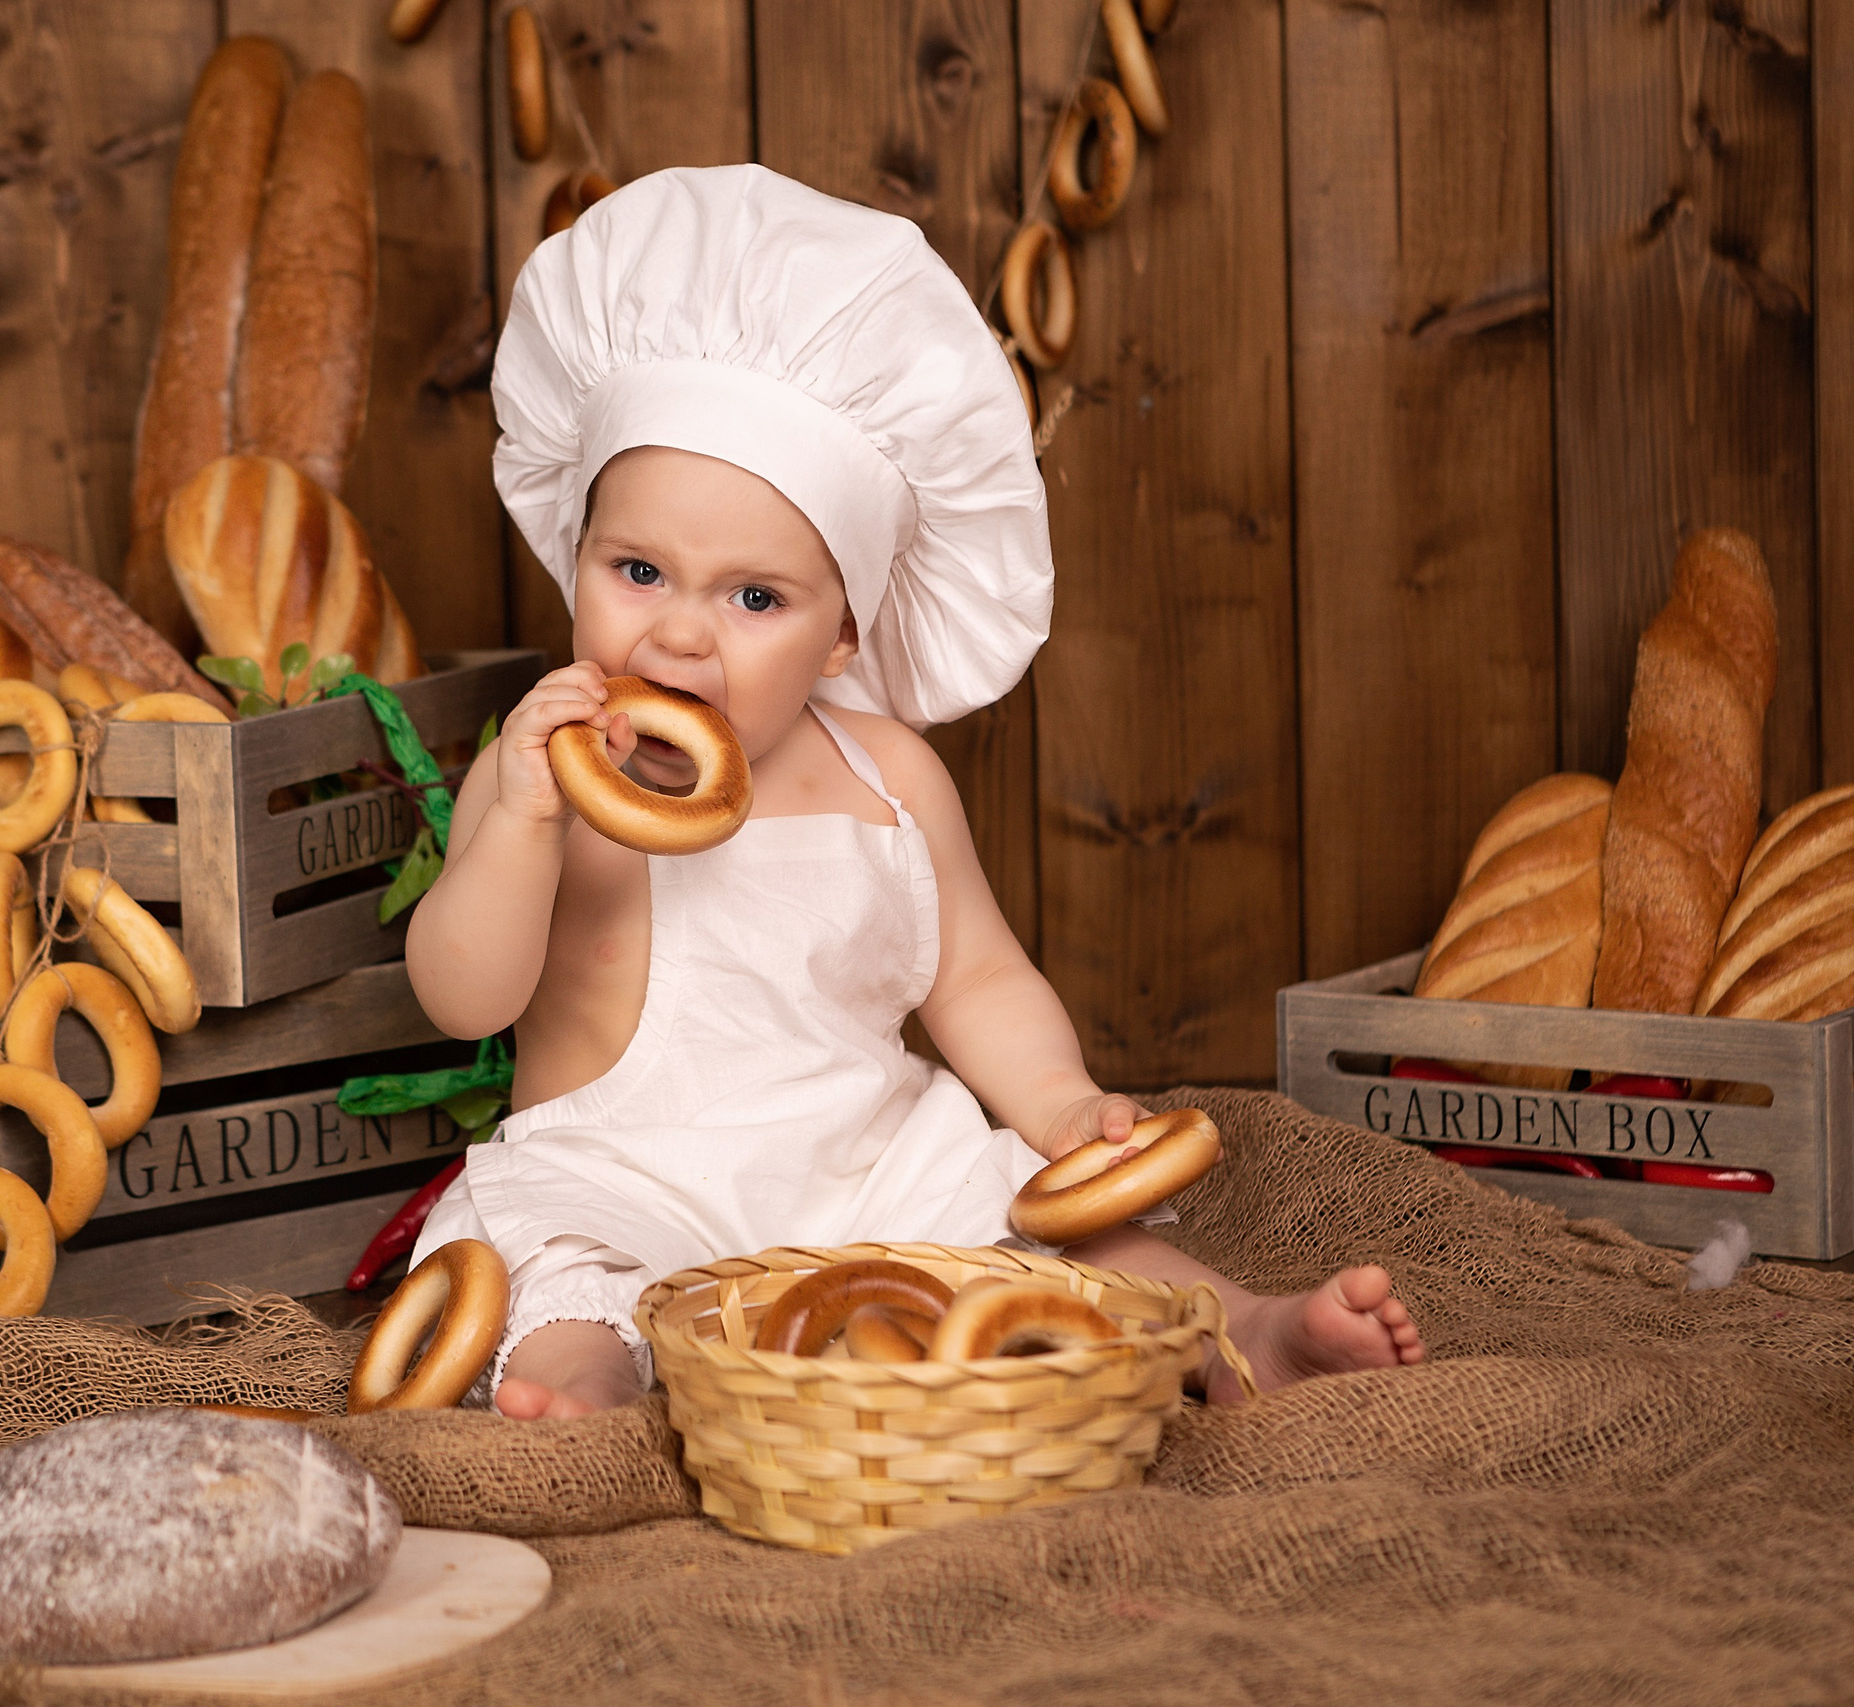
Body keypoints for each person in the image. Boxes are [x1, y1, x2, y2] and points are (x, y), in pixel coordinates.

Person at [404, 166, 1422, 1419]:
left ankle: (1242, 1332)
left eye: (755, 598)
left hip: (868, 1172)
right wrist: (514, 822)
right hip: (627, 1174)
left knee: (1034, 1230)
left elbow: (978, 978)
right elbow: (464, 1000)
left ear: (844, 637)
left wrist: (1059, 1109)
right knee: (553, 1266)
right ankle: (592, 1387)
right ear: (576, 558)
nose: (676, 638)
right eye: (638, 570)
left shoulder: (887, 778)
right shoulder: (554, 767)